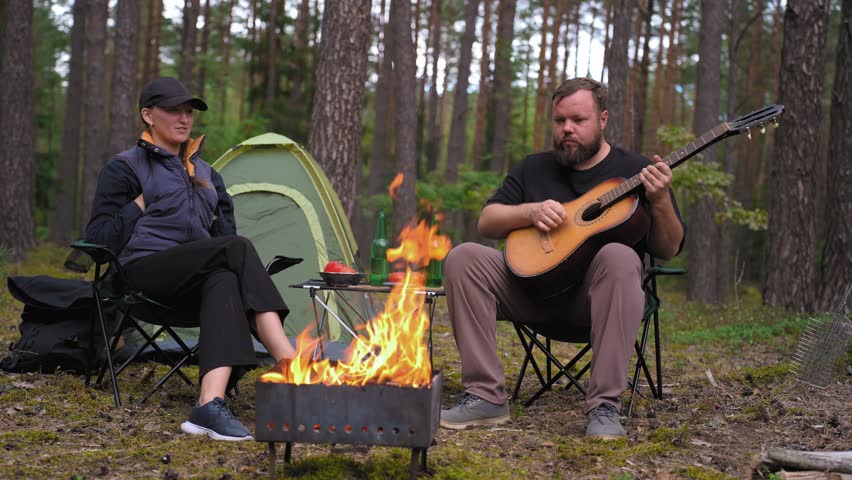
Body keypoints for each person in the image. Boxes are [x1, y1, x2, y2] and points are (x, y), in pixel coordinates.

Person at [439, 77, 686, 439]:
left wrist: (661, 200)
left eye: (578, 120)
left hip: (593, 305)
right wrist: (531, 212)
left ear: (602, 119)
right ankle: (485, 396)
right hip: (531, 293)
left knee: (619, 256)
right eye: (559, 121)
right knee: (464, 258)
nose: (567, 128)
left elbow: (668, 248)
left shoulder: (636, 171)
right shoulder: (533, 168)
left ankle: (603, 407)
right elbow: (487, 222)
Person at [85, 76, 296, 441]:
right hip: (141, 278)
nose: (184, 119)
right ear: (149, 115)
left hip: (191, 289)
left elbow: (224, 241)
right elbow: (98, 239)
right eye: (173, 111)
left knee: (226, 278)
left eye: (189, 112)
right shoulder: (125, 168)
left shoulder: (208, 175)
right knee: (239, 248)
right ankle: (292, 365)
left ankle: (208, 407)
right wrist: (141, 203)